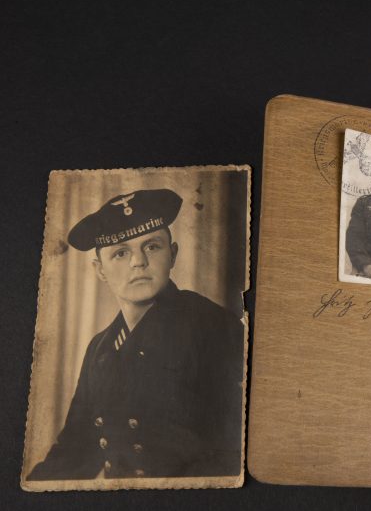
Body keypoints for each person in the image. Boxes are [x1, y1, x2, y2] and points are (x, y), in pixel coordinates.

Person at [27, 189, 244, 480]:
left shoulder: (212, 325)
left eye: (152, 247)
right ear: (100, 270)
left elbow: (234, 449)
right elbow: (75, 452)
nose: (138, 262)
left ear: (173, 254)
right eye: (121, 253)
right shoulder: (101, 348)